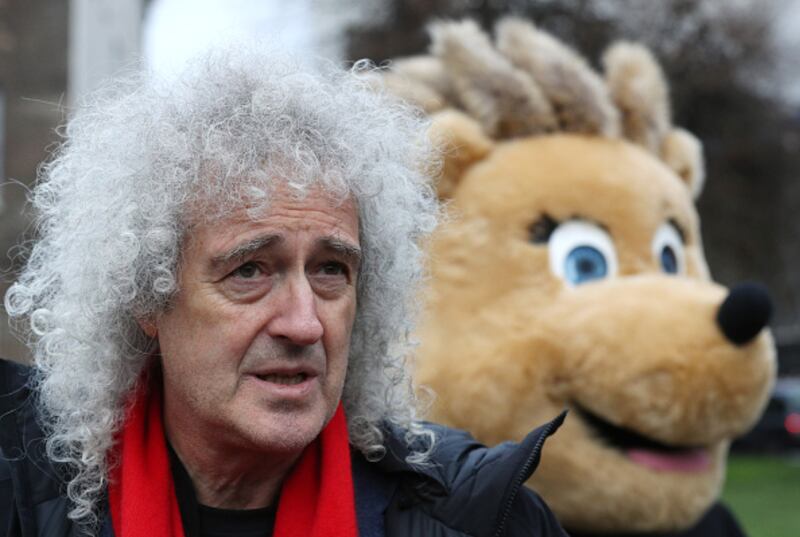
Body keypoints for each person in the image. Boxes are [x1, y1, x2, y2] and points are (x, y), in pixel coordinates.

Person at [0, 46, 567, 537]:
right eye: (249, 271)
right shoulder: (19, 494)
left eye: (331, 270)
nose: (304, 323)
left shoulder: (482, 517)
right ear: (147, 298)